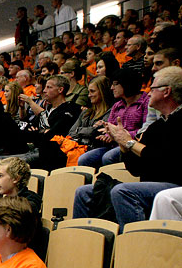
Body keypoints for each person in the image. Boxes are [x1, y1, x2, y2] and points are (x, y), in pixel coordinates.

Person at [73, 66, 182, 231]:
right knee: (84, 192)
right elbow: (136, 169)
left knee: (123, 191)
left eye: (152, 88)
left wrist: (130, 142)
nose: (149, 92)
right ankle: (81, 246)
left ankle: (133, 246)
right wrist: (123, 145)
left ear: (166, 91)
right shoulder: (156, 126)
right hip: (149, 185)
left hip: (175, 187)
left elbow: (165, 161)